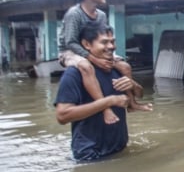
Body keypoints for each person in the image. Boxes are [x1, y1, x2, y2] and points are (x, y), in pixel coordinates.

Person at [58, 0, 151, 125]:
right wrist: (94, 59)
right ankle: (105, 108)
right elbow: (70, 42)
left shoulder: (101, 15)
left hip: (92, 51)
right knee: (86, 66)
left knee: (124, 66)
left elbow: (103, 39)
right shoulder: (74, 14)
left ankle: (132, 104)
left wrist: (106, 57)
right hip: (70, 52)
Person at [55, 21, 143, 161]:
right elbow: (62, 116)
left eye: (112, 41)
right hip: (90, 156)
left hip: (120, 150)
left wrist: (133, 85)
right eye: (104, 42)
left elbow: (140, 94)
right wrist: (109, 101)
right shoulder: (74, 74)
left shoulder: (117, 69)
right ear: (87, 44)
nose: (111, 46)